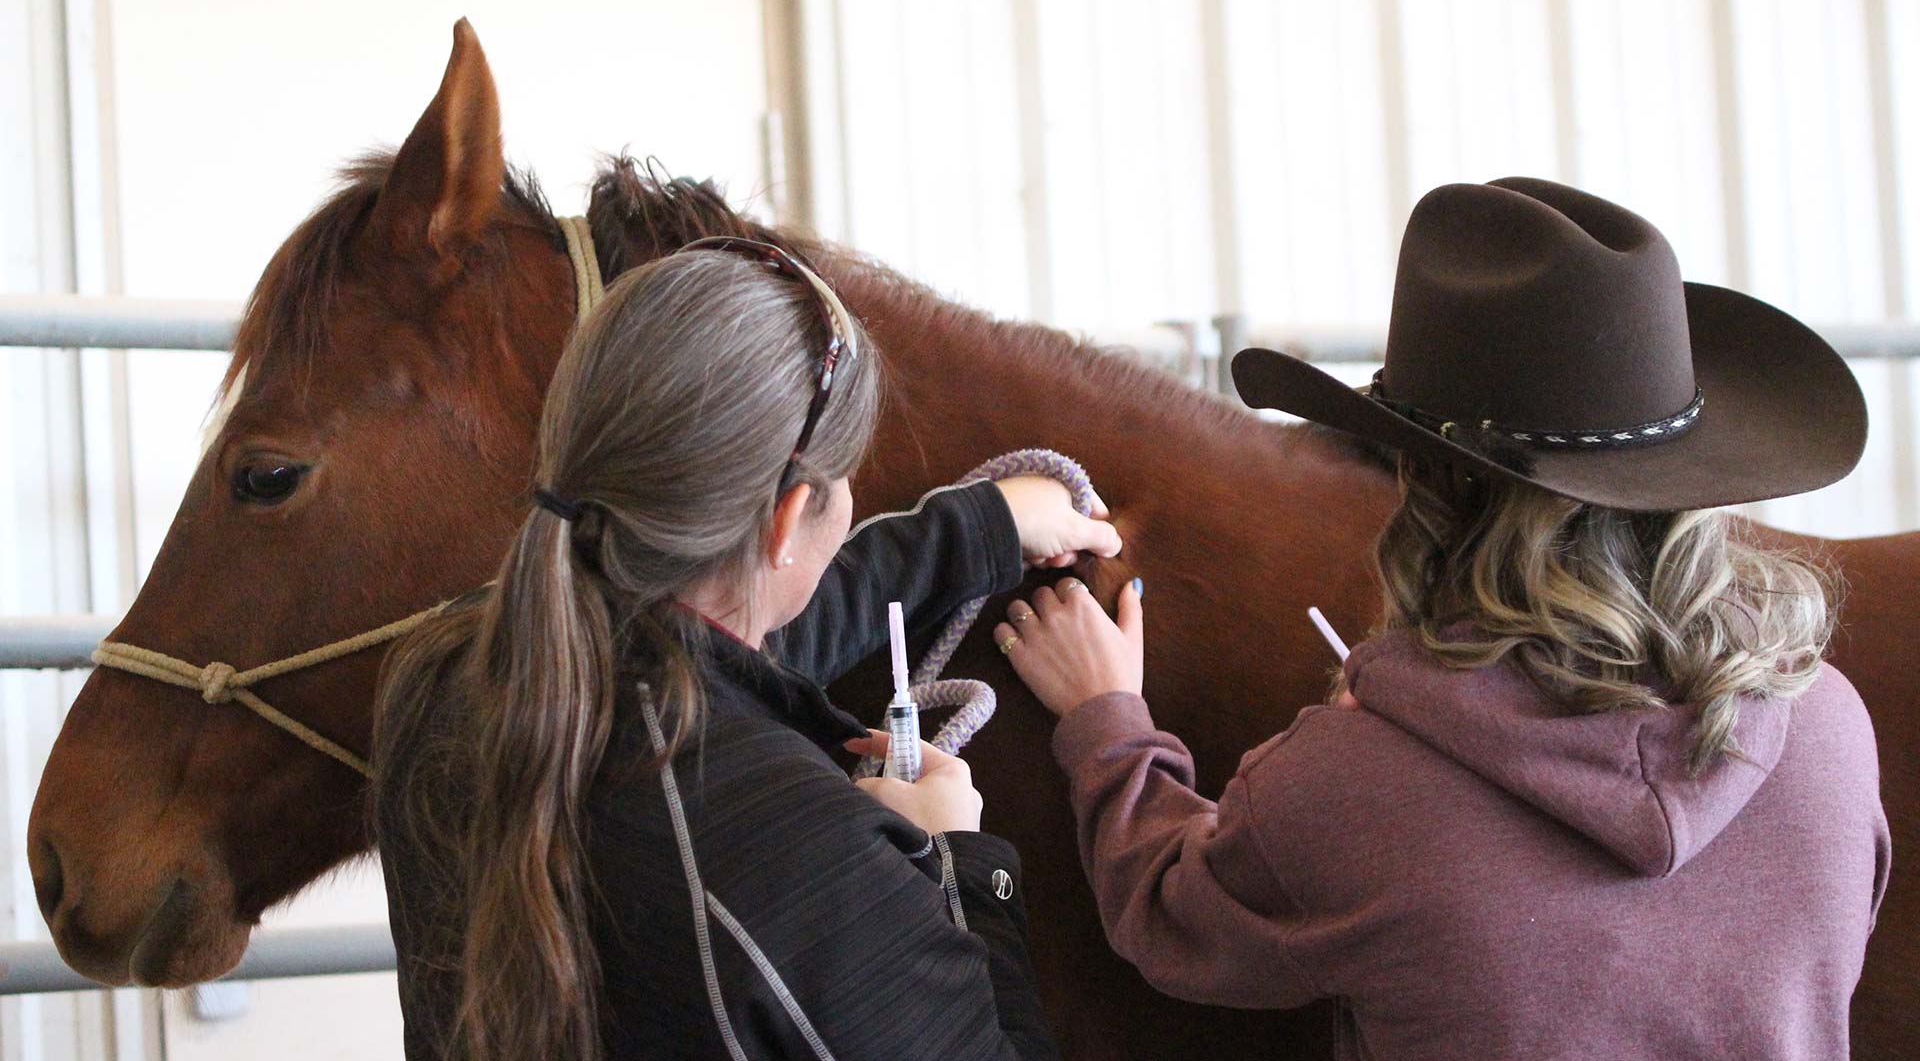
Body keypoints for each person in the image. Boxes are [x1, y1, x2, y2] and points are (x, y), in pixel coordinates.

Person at [993, 178, 1891, 1060]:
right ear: (1688, 484)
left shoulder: (1346, 782)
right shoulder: (1832, 728)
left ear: (1431, 487)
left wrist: (1106, 722)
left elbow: (1170, 918)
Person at [372, 237, 1118, 1060]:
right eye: (846, 485)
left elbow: (727, 644)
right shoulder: (813, 861)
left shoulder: (450, 674)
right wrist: (961, 869)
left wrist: (976, 528)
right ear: (789, 518)